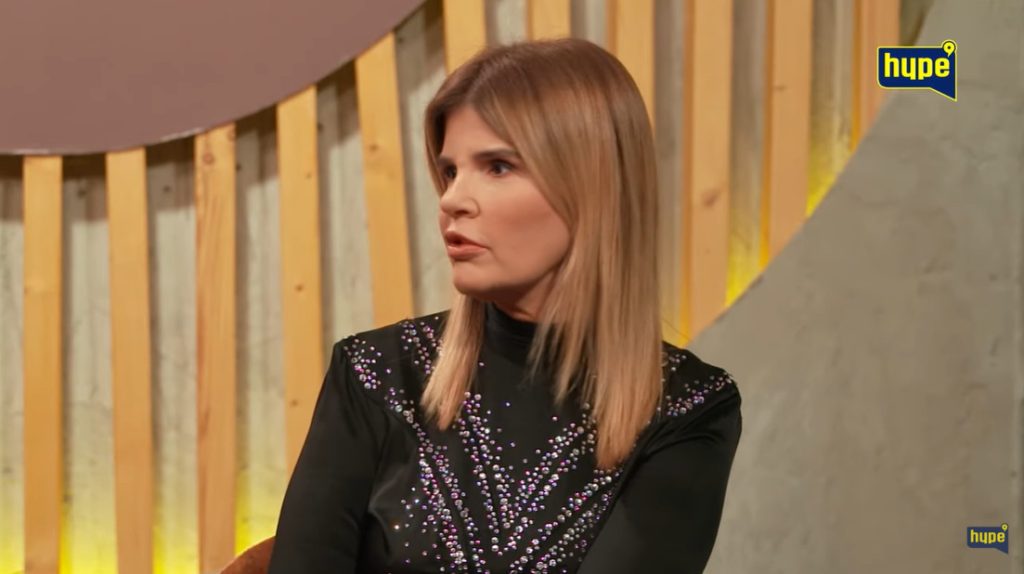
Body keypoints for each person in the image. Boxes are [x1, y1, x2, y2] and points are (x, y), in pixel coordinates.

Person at [267, 38, 742, 574]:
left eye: (497, 166)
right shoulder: (376, 374)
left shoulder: (686, 407)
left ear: (592, 187)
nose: (451, 199)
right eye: (450, 171)